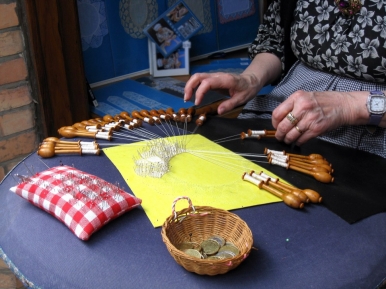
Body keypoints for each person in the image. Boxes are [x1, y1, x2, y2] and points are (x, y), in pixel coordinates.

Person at [184, 0, 386, 158]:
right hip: (286, 109)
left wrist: (350, 105)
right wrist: (250, 79)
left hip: (374, 124)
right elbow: (276, 41)